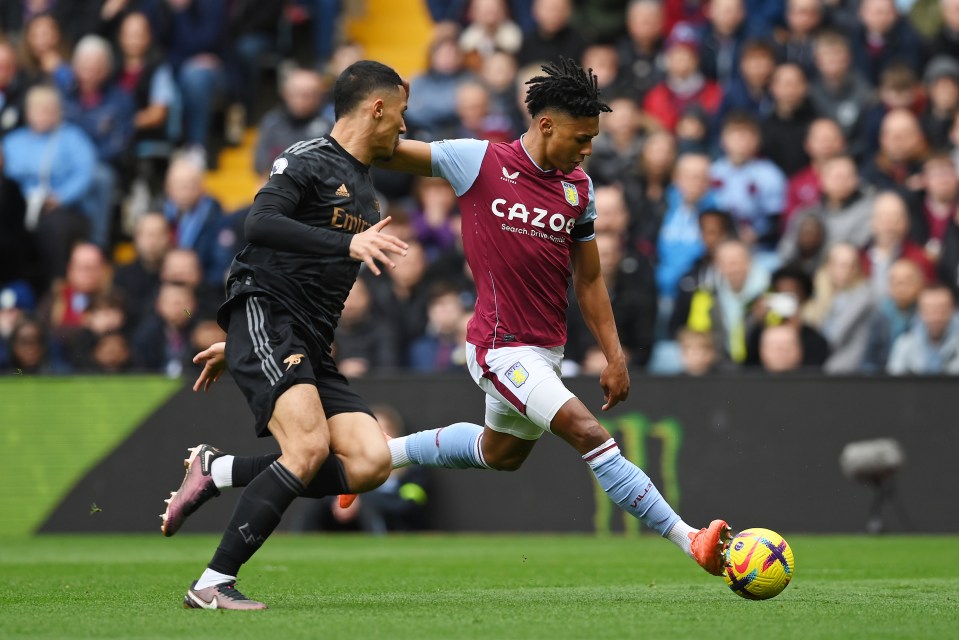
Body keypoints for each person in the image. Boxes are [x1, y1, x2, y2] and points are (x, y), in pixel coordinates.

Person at [364, 57, 731, 576]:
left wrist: (614, 354)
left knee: (501, 454)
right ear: (545, 124)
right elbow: (385, 151)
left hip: (544, 351)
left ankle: (383, 454)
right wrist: (364, 125)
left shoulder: (578, 188)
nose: (587, 150)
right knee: (590, 433)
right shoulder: (477, 161)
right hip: (497, 346)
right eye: (581, 138)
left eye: (593, 139)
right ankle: (690, 538)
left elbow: (588, 280)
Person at [159, 60, 411, 610]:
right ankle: (211, 583)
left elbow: (321, 287)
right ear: (376, 107)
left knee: (372, 461)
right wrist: (344, 246)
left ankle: (217, 469)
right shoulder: (306, 158)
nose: (404, 126)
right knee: (307, 447)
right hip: (269, 313)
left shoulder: (369, 197)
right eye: (401, 112)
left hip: (306, 341)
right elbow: (260, 224)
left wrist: (246, 348)